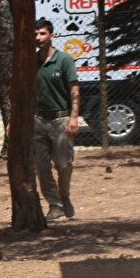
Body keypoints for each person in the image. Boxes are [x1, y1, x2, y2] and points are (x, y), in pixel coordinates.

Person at [34, 19, 80, 221]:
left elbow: (74, 89)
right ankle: (55, 205)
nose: (38, 38)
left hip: (61, 120)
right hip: (37, 121)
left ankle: (65, 196)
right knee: (42, 167)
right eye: (35, 34)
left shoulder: (64, 60)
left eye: (42, 33)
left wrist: (74, 117)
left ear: (52, 36)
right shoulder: (31, 62)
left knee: (63, 164)